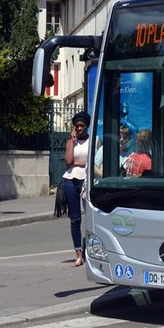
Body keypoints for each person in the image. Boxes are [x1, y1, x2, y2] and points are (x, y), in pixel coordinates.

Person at [62, 111, 90, 267]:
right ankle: (78, 254)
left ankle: (92, 251)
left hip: (87, 180)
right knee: (75, 218)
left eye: (82, 126)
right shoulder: (70, 142)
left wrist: (78, 164)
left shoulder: (93, 141)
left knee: (91, 218)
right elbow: (68, 161)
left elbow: (93, 163)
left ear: (87, 126)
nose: (79, 128)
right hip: (71, 181)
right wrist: (72, 142)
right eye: (77, 126)